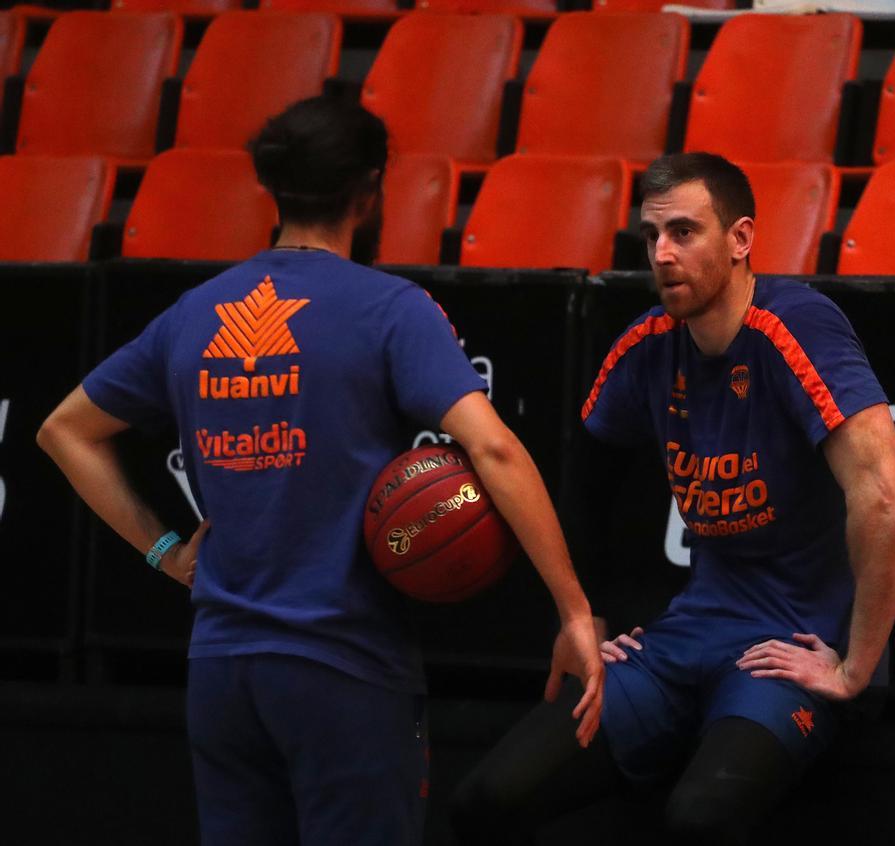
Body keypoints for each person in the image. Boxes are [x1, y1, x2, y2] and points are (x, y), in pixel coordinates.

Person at [36, 96, 603, 846]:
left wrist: (166, 554)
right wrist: (571, 611)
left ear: (275, 188)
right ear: (370, 189)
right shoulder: (389, 309)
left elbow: (62, 430)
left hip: (223, 669)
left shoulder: (195, 312)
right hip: (346, 667)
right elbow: (493, 450)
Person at [450, 152, 895, 845]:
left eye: (686, 233)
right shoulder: (646, 348)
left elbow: (887, 503)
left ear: (741, 239)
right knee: (487, 800)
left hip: (788, 642)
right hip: (688, 635)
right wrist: (592, 614)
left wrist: (855, 670)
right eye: (651, 236)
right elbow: (589, 487)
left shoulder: (796, 327)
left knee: (700, 819)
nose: (662, 254)